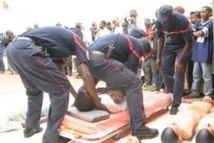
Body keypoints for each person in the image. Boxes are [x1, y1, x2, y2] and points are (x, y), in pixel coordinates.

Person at [6, 26, 108, 143]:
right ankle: (51, 138)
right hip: (26, 49)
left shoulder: (55, 43)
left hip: (12, 49)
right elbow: (86, 75)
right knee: (61, 91)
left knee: (34, 90)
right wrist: (98, 103)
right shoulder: (76, 39)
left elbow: (59, 77)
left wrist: (76, 98)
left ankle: (31, 127)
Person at [84, 33, 159, 141]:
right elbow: (130, 74)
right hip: (100, 58)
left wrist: (111, 89)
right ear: (145, 51)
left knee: (87, 89)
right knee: (135, 83)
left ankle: (78, 105)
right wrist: (116, 90)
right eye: (145, 55)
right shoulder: (138, 46)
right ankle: (140, 129)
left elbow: (117, 73)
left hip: (87, 58)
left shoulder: (123, 43)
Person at [155, 5, 194, 114]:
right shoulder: (158, 22)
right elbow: (161, 39)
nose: (164, 23)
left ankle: (176, 104)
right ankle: (173, 94)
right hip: (170, 45)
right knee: (165, 69)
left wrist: (181, 61)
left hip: (184, 45)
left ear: (171, 16)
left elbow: (189, 42)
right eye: (162, 20)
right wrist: (158, 57)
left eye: (166, 21)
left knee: (179, 71)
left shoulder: (181, 20)